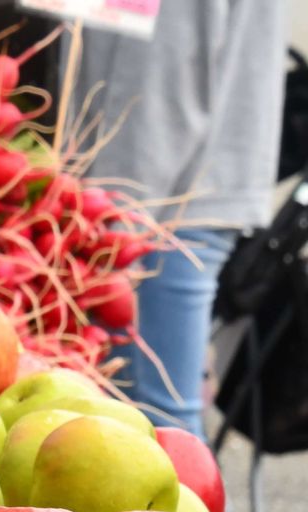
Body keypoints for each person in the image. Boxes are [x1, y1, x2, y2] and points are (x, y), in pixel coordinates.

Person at [67, 0, 286, 437]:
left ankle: (192, 506)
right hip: (176, 186)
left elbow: (162, 72)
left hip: (159, 199)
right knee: (148, 416)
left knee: (156, 419)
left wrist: (116, 215)